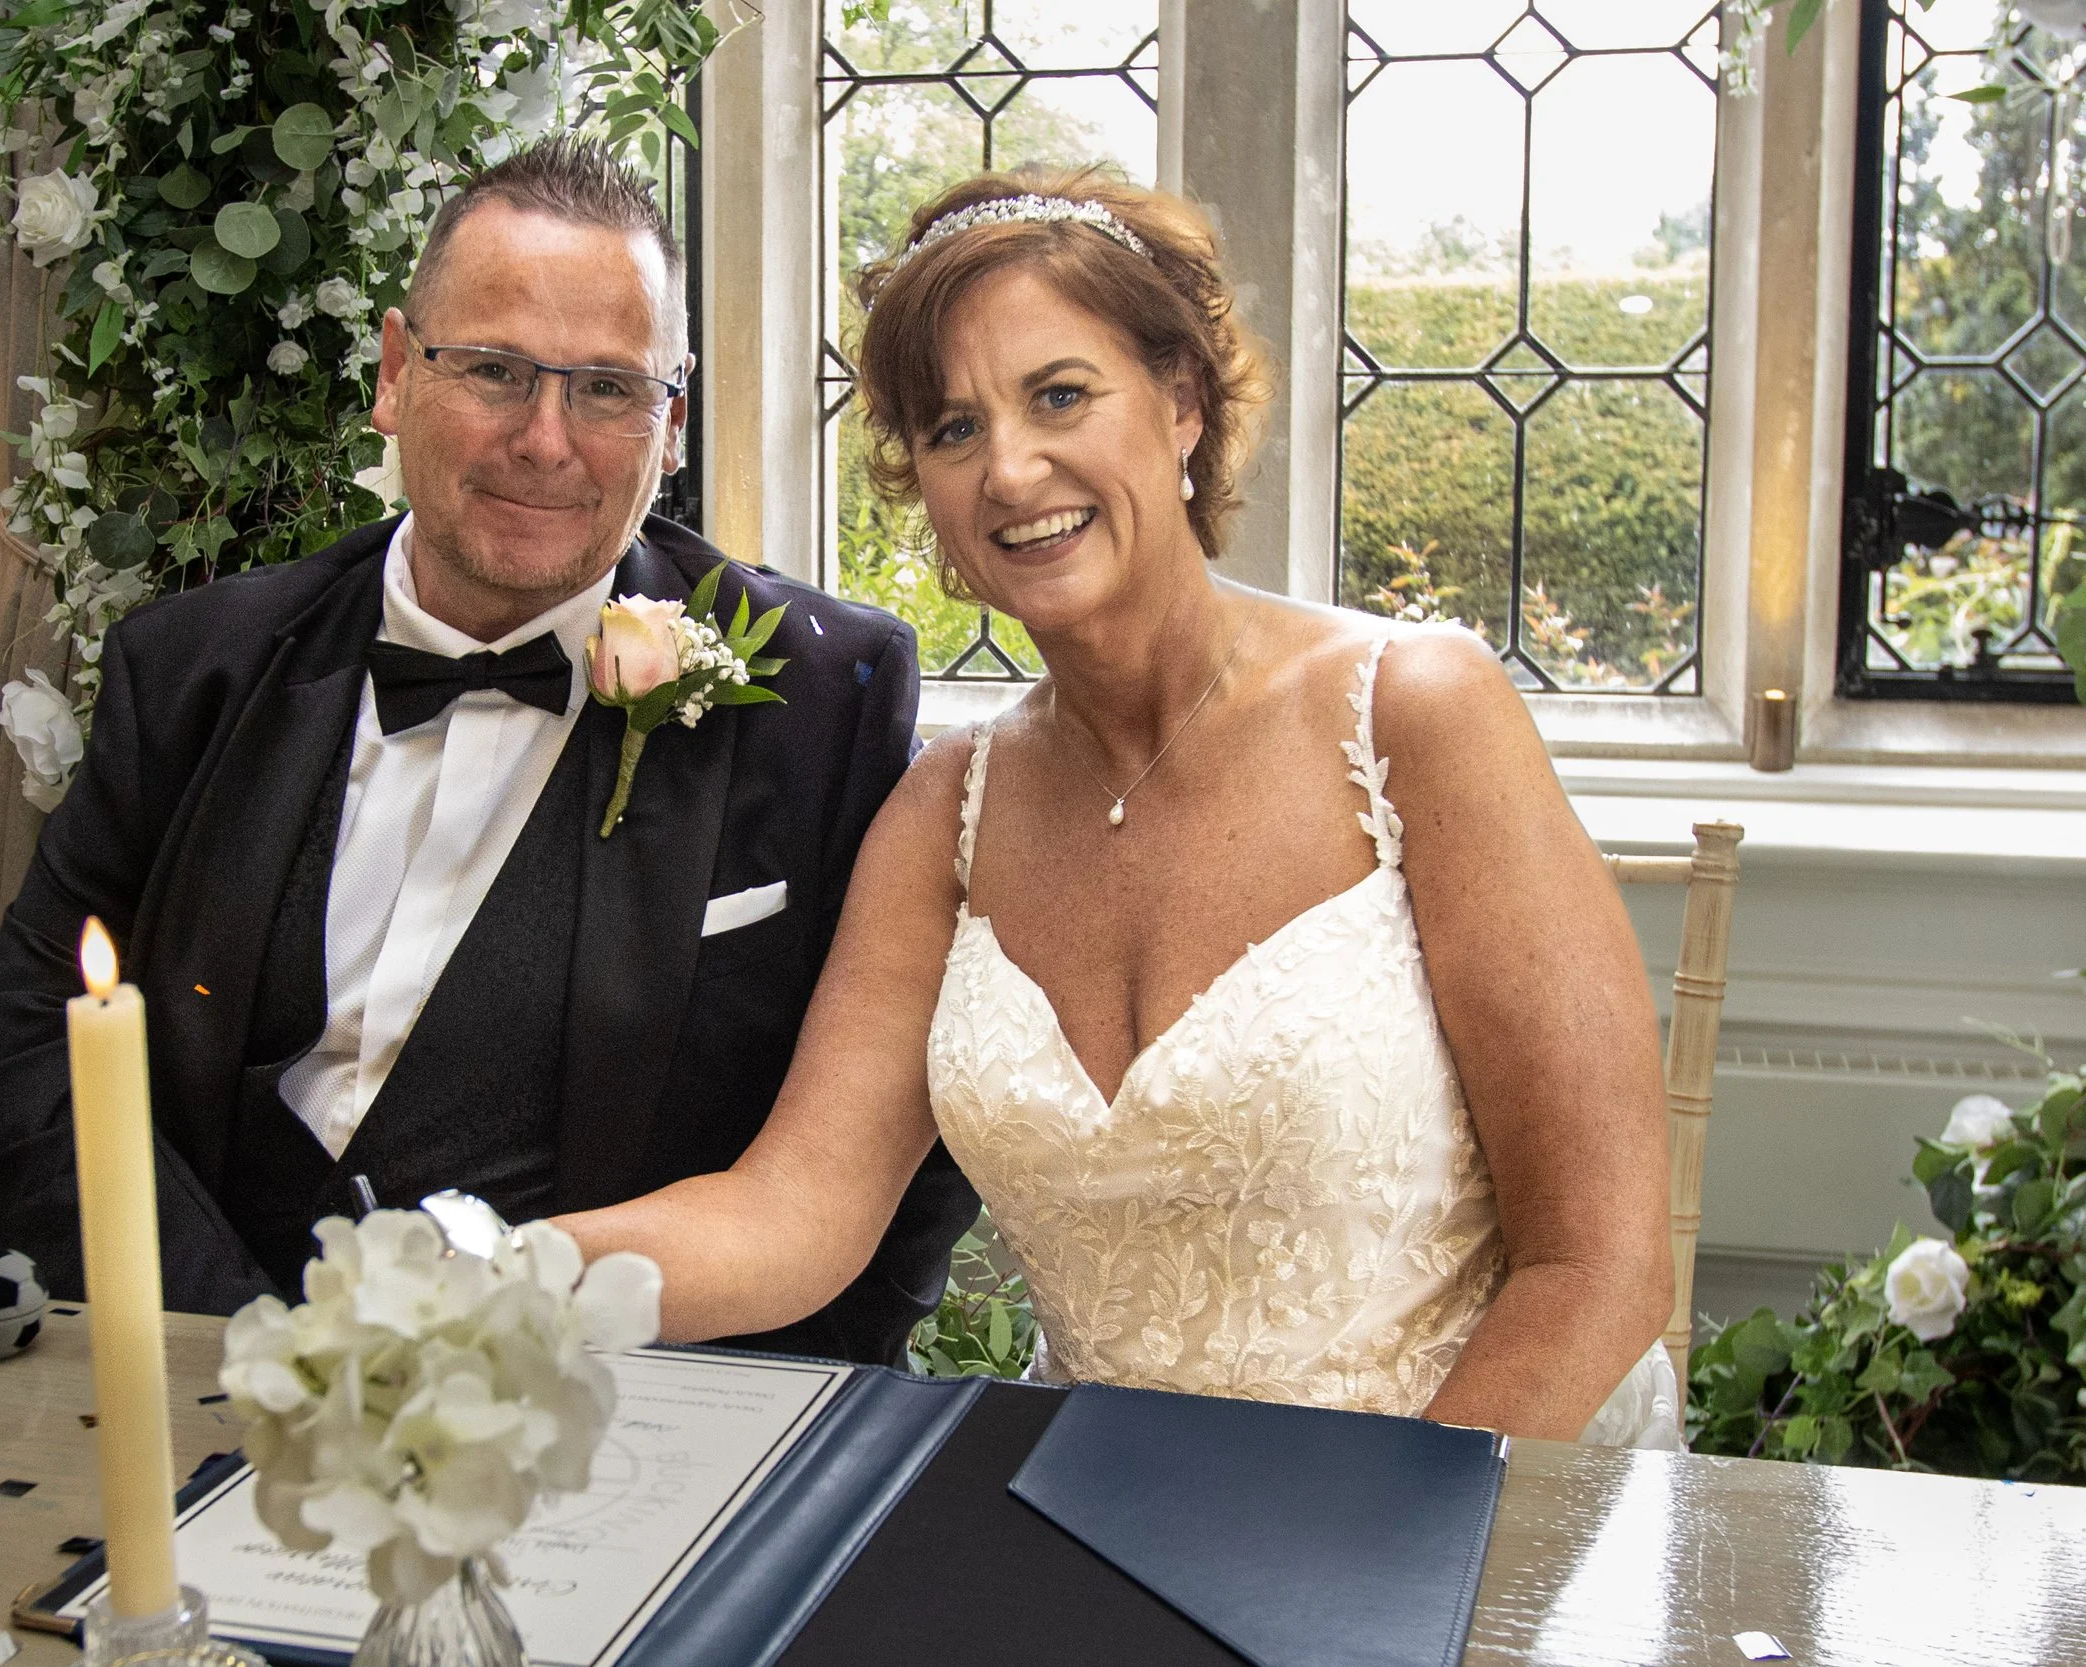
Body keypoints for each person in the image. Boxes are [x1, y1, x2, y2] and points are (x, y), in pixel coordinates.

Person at [557, 170, 1683, 1444]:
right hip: (1114, 1527)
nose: (1011, 468)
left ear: (1184, 400)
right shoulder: (945, 812)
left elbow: (1600, 1263)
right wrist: (494, 1271)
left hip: (1475, 1515)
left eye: (1060, 395)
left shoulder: (1415, 712)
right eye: (951, 427)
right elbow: (793, 1218)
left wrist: (1381, 1584)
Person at [0, 137, 978, 1365]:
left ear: (673, 420)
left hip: (607, 1418)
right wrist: (239, 1357)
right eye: (493, 370)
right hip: (206, 1384)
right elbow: (25, 1056)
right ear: (393, 373)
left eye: (606, 389)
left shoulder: (819, 698)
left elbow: (905, 1167)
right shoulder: (192, 669)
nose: (547, 440)